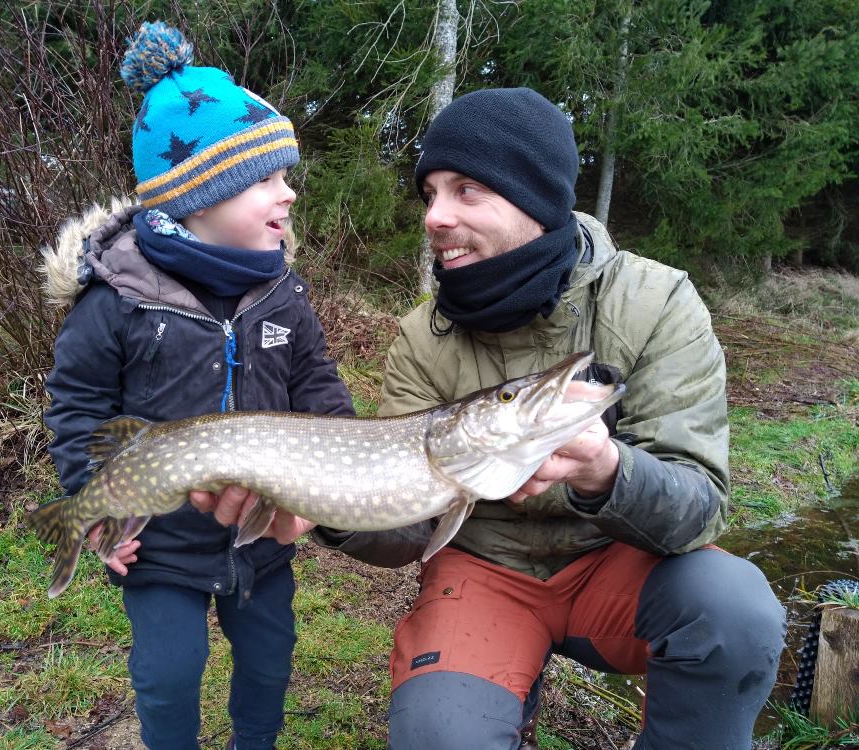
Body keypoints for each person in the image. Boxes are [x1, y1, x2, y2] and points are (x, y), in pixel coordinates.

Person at [194, 87, 787, 750]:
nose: (435, 217)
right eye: (429, 194)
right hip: (483, 572)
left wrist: (605, 473)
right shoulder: (422, 337)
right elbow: (411, 530)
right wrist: (328, 510)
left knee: (734, 611)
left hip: (616, 566)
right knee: (440, 735)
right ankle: (499, 685)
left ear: (534, 196)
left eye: (466, 190)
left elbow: (700, 506)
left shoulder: (655, 302)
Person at [40, 21, 354, 750]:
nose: (290, 195)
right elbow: (79, 407)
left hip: (263, 540)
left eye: (286, 175)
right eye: (268, 180)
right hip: (162, 548)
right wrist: (95, 505)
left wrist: (335, 464)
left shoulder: (284, 292)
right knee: (169, 673)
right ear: (200, 198)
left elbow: (319, 388)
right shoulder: (114, 299)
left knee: (271, 663)